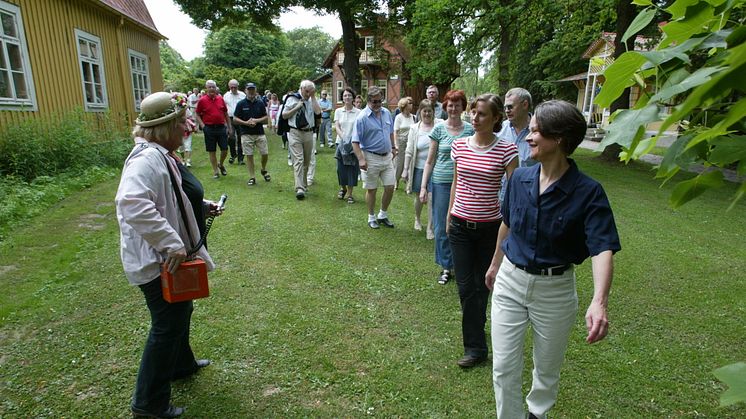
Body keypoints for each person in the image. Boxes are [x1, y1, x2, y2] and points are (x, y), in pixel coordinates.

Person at [485, 100, 621, 418]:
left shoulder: (588, 192)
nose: (528, 138)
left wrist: (599, 301)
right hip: (510, 281)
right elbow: (508, 224)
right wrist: (494, 264)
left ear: (558, 138)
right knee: (504, 367)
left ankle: (537, 414)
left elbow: (602, 247)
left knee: (546, 372)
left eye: (535, 131)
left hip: (555, 291)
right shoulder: (520, 179)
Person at [116, 91, 223, 419]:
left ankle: (181, 364)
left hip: (167, 257)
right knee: (167, 324)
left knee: (180, 312)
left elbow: (172, 196)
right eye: (180, 122)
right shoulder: (146, 159)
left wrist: (202, 207)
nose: (187, 126)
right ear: (163, 128)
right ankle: (148, 404)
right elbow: (131, 202)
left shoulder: (163, 154)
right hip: (157, 260)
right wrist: (171, 242)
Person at [445, 93, 518, 369]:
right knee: (466, 289)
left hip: (491, 228)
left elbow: (515, 193)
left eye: (482, 114)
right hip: (461, 226)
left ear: (496, 118)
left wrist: (510, 227)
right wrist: (449, 215)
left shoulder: (507, 151)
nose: (475, 118)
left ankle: (477, 343)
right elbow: (455, 183)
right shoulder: (459, 145)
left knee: (482, 286)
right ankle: (475, 346)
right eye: (473, 113)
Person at [420, 89, 473, 285]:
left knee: (462, 225)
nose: (453, 108)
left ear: (462, 107)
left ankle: (461, 264)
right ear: (445, 107)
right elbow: (429, 161)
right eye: (450, 105)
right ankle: (445, 266)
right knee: (442, 225)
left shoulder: (470, 130)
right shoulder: (439, 130)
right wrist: (424, 186)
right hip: (442, 183)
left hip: (465, 183)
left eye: (457, 105)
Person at [352, 86, 397, 229]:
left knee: (390, 186)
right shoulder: (362, 118)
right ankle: (371, 217)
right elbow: (355, 141)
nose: (378, 104)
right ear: (368, 101)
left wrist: (394, 147)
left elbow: (390, 132)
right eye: (375, 102)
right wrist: (361, 159)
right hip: (370, 157)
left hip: (387, 157)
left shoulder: (386, 113)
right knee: (372, 189)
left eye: (380, 101)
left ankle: (382, 214)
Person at [402, 99, 441, 237]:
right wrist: (406, 169)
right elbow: (409, 150)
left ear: (433, 112)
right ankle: (417, 219)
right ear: (420, 112)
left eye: (429, 111)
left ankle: (430, 227)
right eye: (424, 111)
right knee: (419, 197)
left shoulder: (440, 125)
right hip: (418, 168)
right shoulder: (414, 128)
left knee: (431, 197)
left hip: (436, 168)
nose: (427, 114)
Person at [282, 80, 321, 200]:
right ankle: (299, 188)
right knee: (298, 159)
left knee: (306, 161)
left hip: (308, 132)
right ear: (301, 88)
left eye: (311, 91)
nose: (308, 93)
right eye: (307, 91)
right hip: (295, 132)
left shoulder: (311, 99)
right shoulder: (292, 98)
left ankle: (303, 184)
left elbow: (318, 112)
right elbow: (284, 115)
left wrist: (313, 97)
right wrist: (297, 107)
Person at [233, 82, 270, 186]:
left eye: (252, 89)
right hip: (246, 133)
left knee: (265, 153)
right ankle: (252, 177)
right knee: (249, 155)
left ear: (255, 90)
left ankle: (263, 169)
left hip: (259, 133)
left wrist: (256, 120)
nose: (251, 91)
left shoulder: (260, 103)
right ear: (245, 91)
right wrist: (246, 123)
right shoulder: (241, 104)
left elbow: (266, 118)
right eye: (249, 89)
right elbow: (235, 119)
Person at [195, 80, 231, 179]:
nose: (211, 89)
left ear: (216, 88)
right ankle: (216, 171)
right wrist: (203, 126)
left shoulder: (220, 99)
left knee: (225, 149)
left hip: (221, 128)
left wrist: (229, 127)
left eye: (213, 87)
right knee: (212, 151)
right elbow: (197, 114)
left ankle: (221, 164)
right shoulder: (202, 100)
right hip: (209, 128)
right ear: (206, 88)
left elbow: (226, 114)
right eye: (209, 87)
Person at [334, 87, 361, 203]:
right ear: (342, 98)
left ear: (353, 98)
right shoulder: (338, 111)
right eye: (345, 95)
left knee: (351, 168)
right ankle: (343, 188)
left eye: (349, 95)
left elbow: (360, 129)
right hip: (340, 143)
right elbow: (337, 126)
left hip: (353, 144)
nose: (347, 97)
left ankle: (350, 194)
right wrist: (343, 137)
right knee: (340, 169)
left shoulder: (359, 113)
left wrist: (352, 140)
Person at [498, 87, 535, 168]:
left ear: (525, 105)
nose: (507, 111)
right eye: (505, 108)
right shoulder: (500, 130)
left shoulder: (540, 130)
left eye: (510, 107)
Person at [393, 96, 415, 190]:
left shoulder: (414, 117)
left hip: (411, 142)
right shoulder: (399, 117)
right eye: (409, 103)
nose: (411, 105)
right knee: (399, 164)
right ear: (404, 106)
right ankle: (396, 181)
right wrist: (396, 144)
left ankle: (408, 186)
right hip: (401, 143)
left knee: (411, 163)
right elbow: (395, 132)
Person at [223, 79, 246, 165]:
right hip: (230, 119)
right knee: (231, 137)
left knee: (241, 138)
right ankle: (233, 154)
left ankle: (240, 158)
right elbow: (224, 108)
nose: (233, 89)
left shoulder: (242, 95)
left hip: (240, 119)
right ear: (229, 87)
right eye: (231, 87)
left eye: (235, 87)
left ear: (237, 86)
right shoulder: (226, 95)